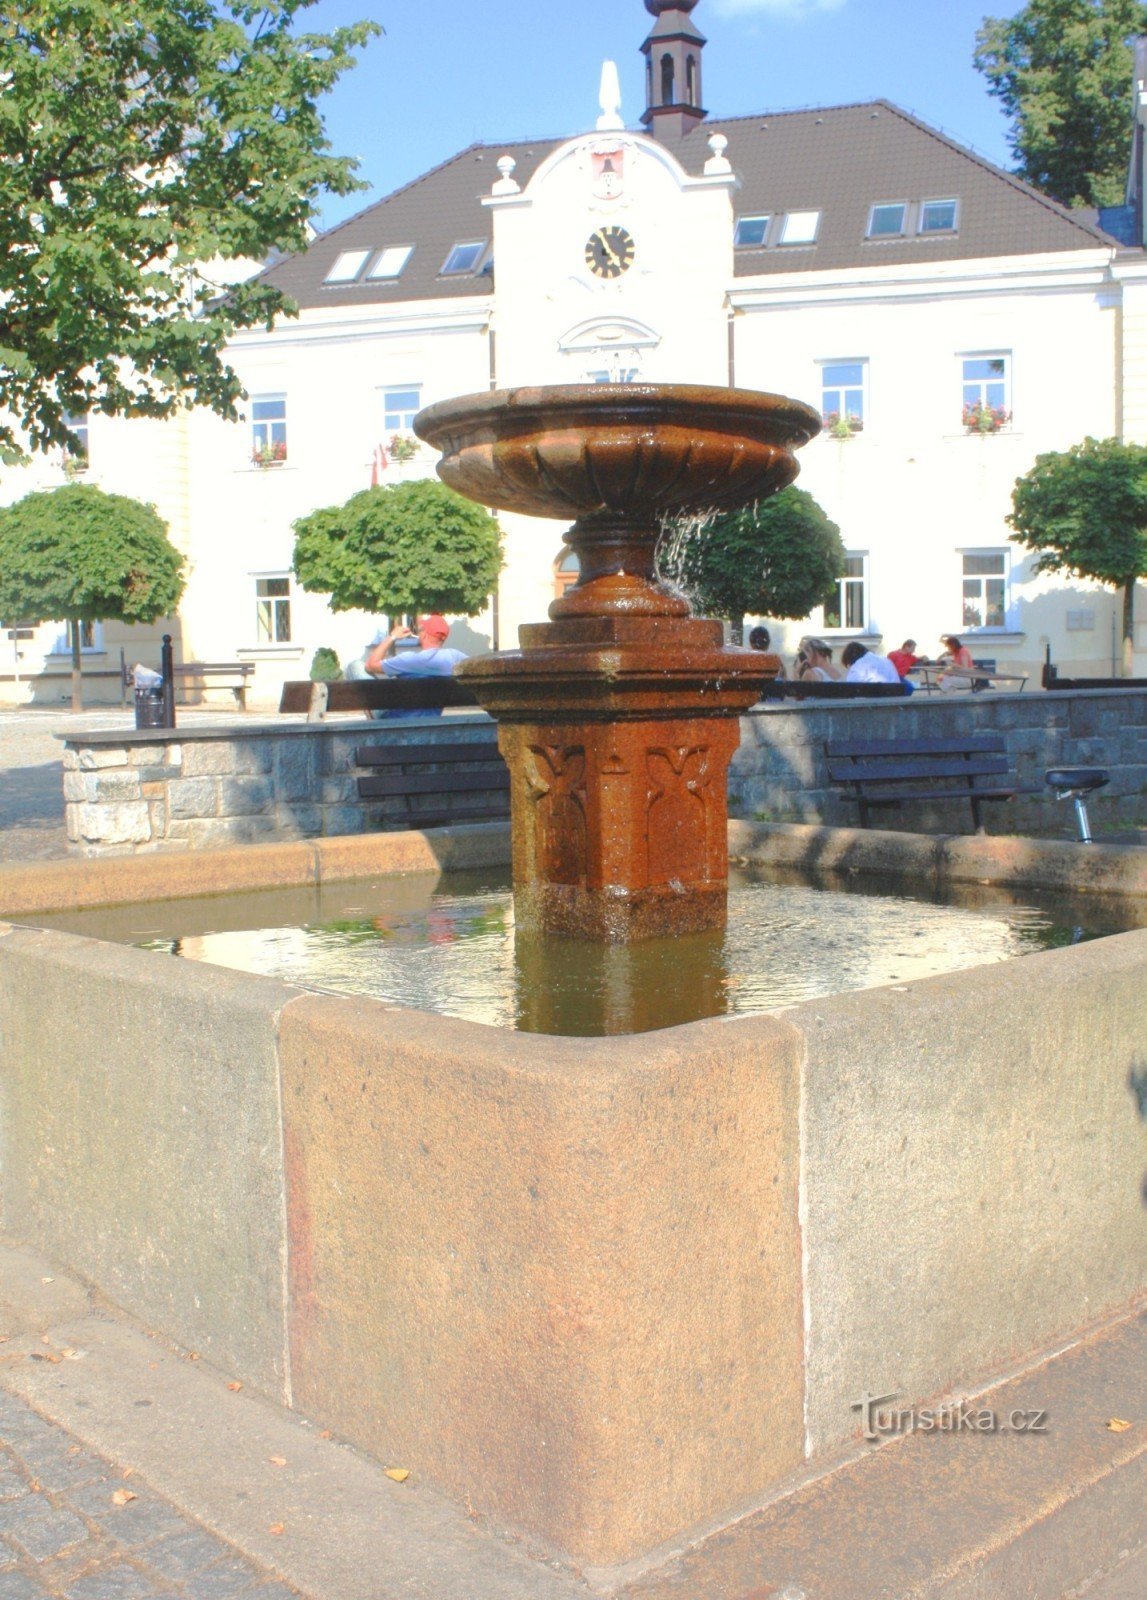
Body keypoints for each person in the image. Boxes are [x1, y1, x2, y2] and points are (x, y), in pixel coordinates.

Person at [353, 614, 468, 719]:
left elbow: (370, 665)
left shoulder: (409, 660)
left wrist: (392, 637)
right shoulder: (455, 656)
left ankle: (374, 720)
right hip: (431, 720)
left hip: (393, 720)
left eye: (421, 630)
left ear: (424, 635)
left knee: (355, 666)